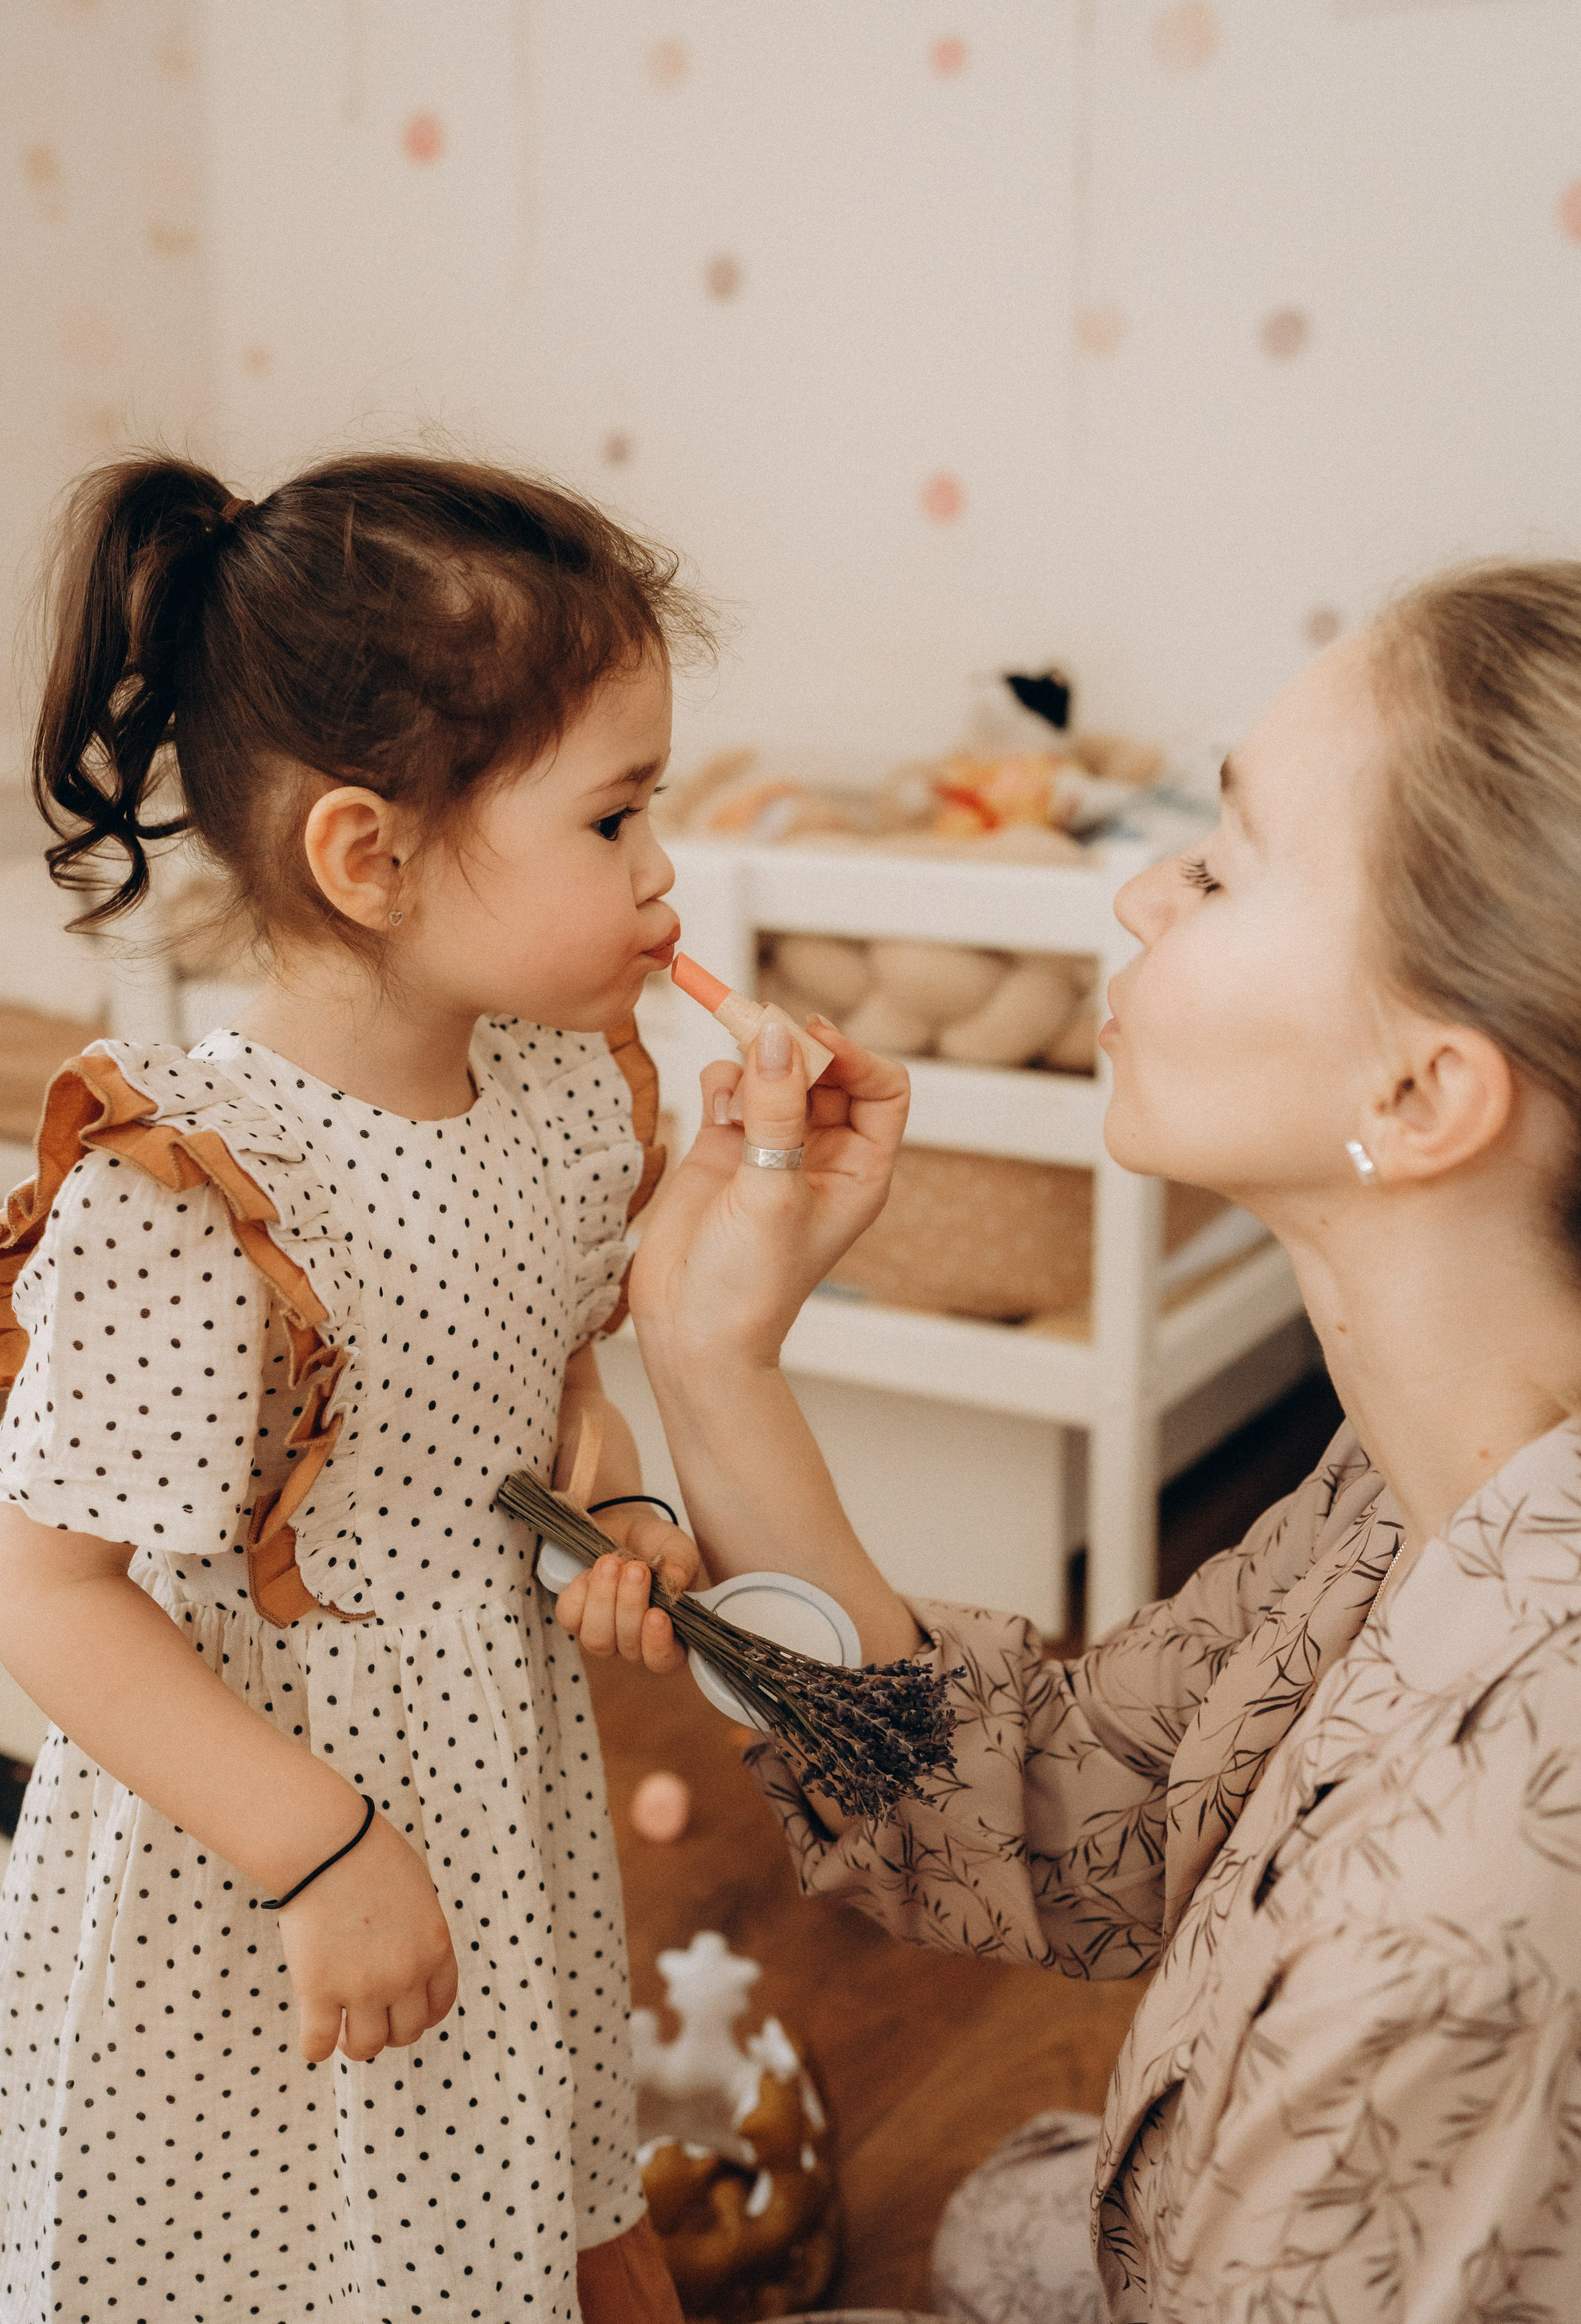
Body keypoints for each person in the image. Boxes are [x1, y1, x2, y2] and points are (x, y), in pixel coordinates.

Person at [563, 562, 1581, 2322]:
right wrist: (713, 1360)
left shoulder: (1469, 1930)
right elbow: (1061, 1802)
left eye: (1220, 863)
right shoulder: (1413, 1482)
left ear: (1422, 1095)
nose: (1135, 895)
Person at [0, 452, 711, 2324]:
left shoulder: (567, 1105)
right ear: (368, 855)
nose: (664, 875)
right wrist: (316, 1845)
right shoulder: (187, 1189)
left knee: (477, 2217)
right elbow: (46, 1594)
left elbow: (533, 1411)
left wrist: (610, 1503)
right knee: (283, 2247)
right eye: (616, 820)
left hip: (489, 1780)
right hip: (250, 1835)